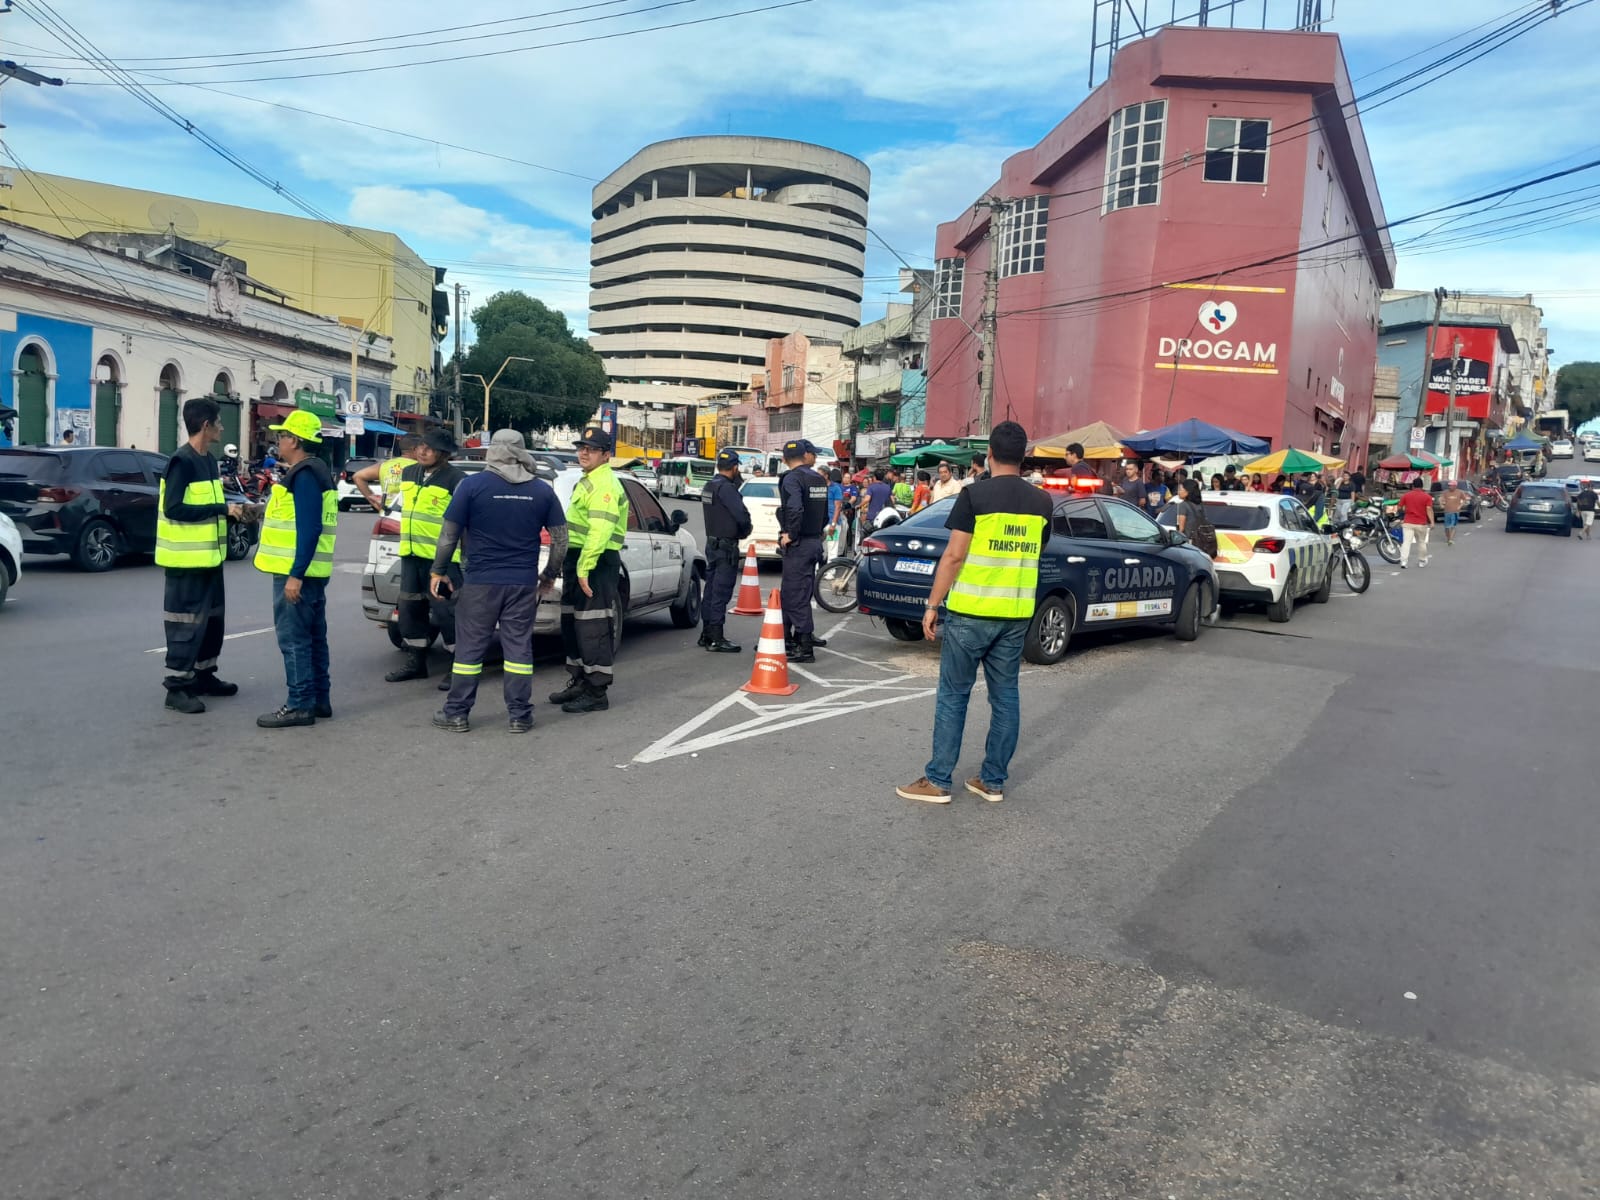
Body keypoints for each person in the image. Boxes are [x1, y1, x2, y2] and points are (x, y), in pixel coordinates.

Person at [897, 420, 1054, 806]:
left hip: (971, 612)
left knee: (954, 696)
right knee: (1006, 697)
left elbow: (954, 556)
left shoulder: (975, 495)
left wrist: (932, 605)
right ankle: (992, 780)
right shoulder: (1042, 502)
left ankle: (938, 780)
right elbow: (1038, 550)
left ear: (990, 454)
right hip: (1015, 613)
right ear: (1023, 456)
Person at [429, 430, 566, 733]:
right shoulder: (541, 491)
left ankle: (456, 713)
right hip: (522, 583)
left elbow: (448, 535)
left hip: (480, 582)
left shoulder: (471, 486)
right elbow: (561, 540)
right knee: (518, 649)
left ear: (493, 451)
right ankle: (520, 715)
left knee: (469, 650)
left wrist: (437, 571)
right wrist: (549, 575)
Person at [158, 397, 252, 714]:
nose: (222, 428)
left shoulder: (209, 461)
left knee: (212, 622)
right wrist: (221, 509)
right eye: (219, 422)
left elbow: (208, 507)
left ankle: (204, 675)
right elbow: (174, 508)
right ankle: (177, 688)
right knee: (185, 624)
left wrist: (233, 513)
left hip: (210, 559)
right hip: (185, 563)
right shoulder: (181, 461)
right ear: (205, 425)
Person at [254, 410, 337, 728]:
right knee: (313, 638)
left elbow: (310, 527)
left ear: (295, 440)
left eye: (282, 436)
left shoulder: (304, 474)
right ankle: (319, 700)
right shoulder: (316, 470)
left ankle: (300, 704)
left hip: (298, 573)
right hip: (311, 572)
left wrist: (295, 575)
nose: (278, 441)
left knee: (294, 640)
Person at [548, 424, 629, 713]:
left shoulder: (604, 484)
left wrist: (584, 568)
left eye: (592, 450)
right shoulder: (588, 480)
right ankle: (581, 681)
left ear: (606, 455)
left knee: (593, 626)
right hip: (579, 559)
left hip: (595, 563)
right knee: (573, 624)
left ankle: (597, 692)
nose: (584, 453)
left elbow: (600, 531)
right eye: (582, 448)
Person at [384, 429, 466, 688]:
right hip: (411, 556)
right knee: (410, 610)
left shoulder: (457, 480)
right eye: (421, 445)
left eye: (430, 448)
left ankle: (458, 667)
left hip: (442, 561)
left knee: (447, 613)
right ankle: (416, 662)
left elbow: (465, 522)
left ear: (444, 454)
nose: (423, 451)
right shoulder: (409, 473)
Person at [777, 438, 830, 662]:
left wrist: (790, 534)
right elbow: (825, 514)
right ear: (804, 455)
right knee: (798, 591)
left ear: (784, 459)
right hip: (814, 541)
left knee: (795, 594)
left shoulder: (792, 478)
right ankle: (788, 639)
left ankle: (804, 646)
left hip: (800, 544)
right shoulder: (818, 478)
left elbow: (794, 508)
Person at [699, 449, 752, 653]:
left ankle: (706, 633)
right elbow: (741, 515)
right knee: (721, 592)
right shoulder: (727, 488)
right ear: (735, 467)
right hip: (726, 546)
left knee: (711, 590)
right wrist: (745, 530)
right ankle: (715, 637)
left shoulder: (710, 486)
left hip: (712, 543)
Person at [353, 434, 422, 514]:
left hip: (387, 513)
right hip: (410, 514)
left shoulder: (385, 465)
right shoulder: (420, 466)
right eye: (423, 449)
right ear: (415, 449)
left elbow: (357, 476)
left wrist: (373, 500)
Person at [1396, 477, 1434, 568]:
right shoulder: (1427, 497)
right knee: (1421, 542)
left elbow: (1399, 507)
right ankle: (1422, 561)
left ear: (1413, 486)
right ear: (1422, 486)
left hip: (1408, 522)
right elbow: (1429, 509)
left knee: (1406, 542)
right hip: (1421, 523)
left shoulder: (1406, 495)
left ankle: (1403, 561)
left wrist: (1402, 515)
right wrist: (1432, 522)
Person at [1437, 479, 1468, 546]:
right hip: (1447, 511)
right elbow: (1440, 499)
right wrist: (1441, 504)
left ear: (1455, 486)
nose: (1449, 487)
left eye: (1451, 485)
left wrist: (1460, 506)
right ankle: (1448, 538)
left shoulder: (1460, 492)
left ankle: (1450, 539)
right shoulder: (1445, 492)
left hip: (1455, 512)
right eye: (1449, 485)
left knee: (1453, 526)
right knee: (1447, 527)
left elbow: (1464, 500)